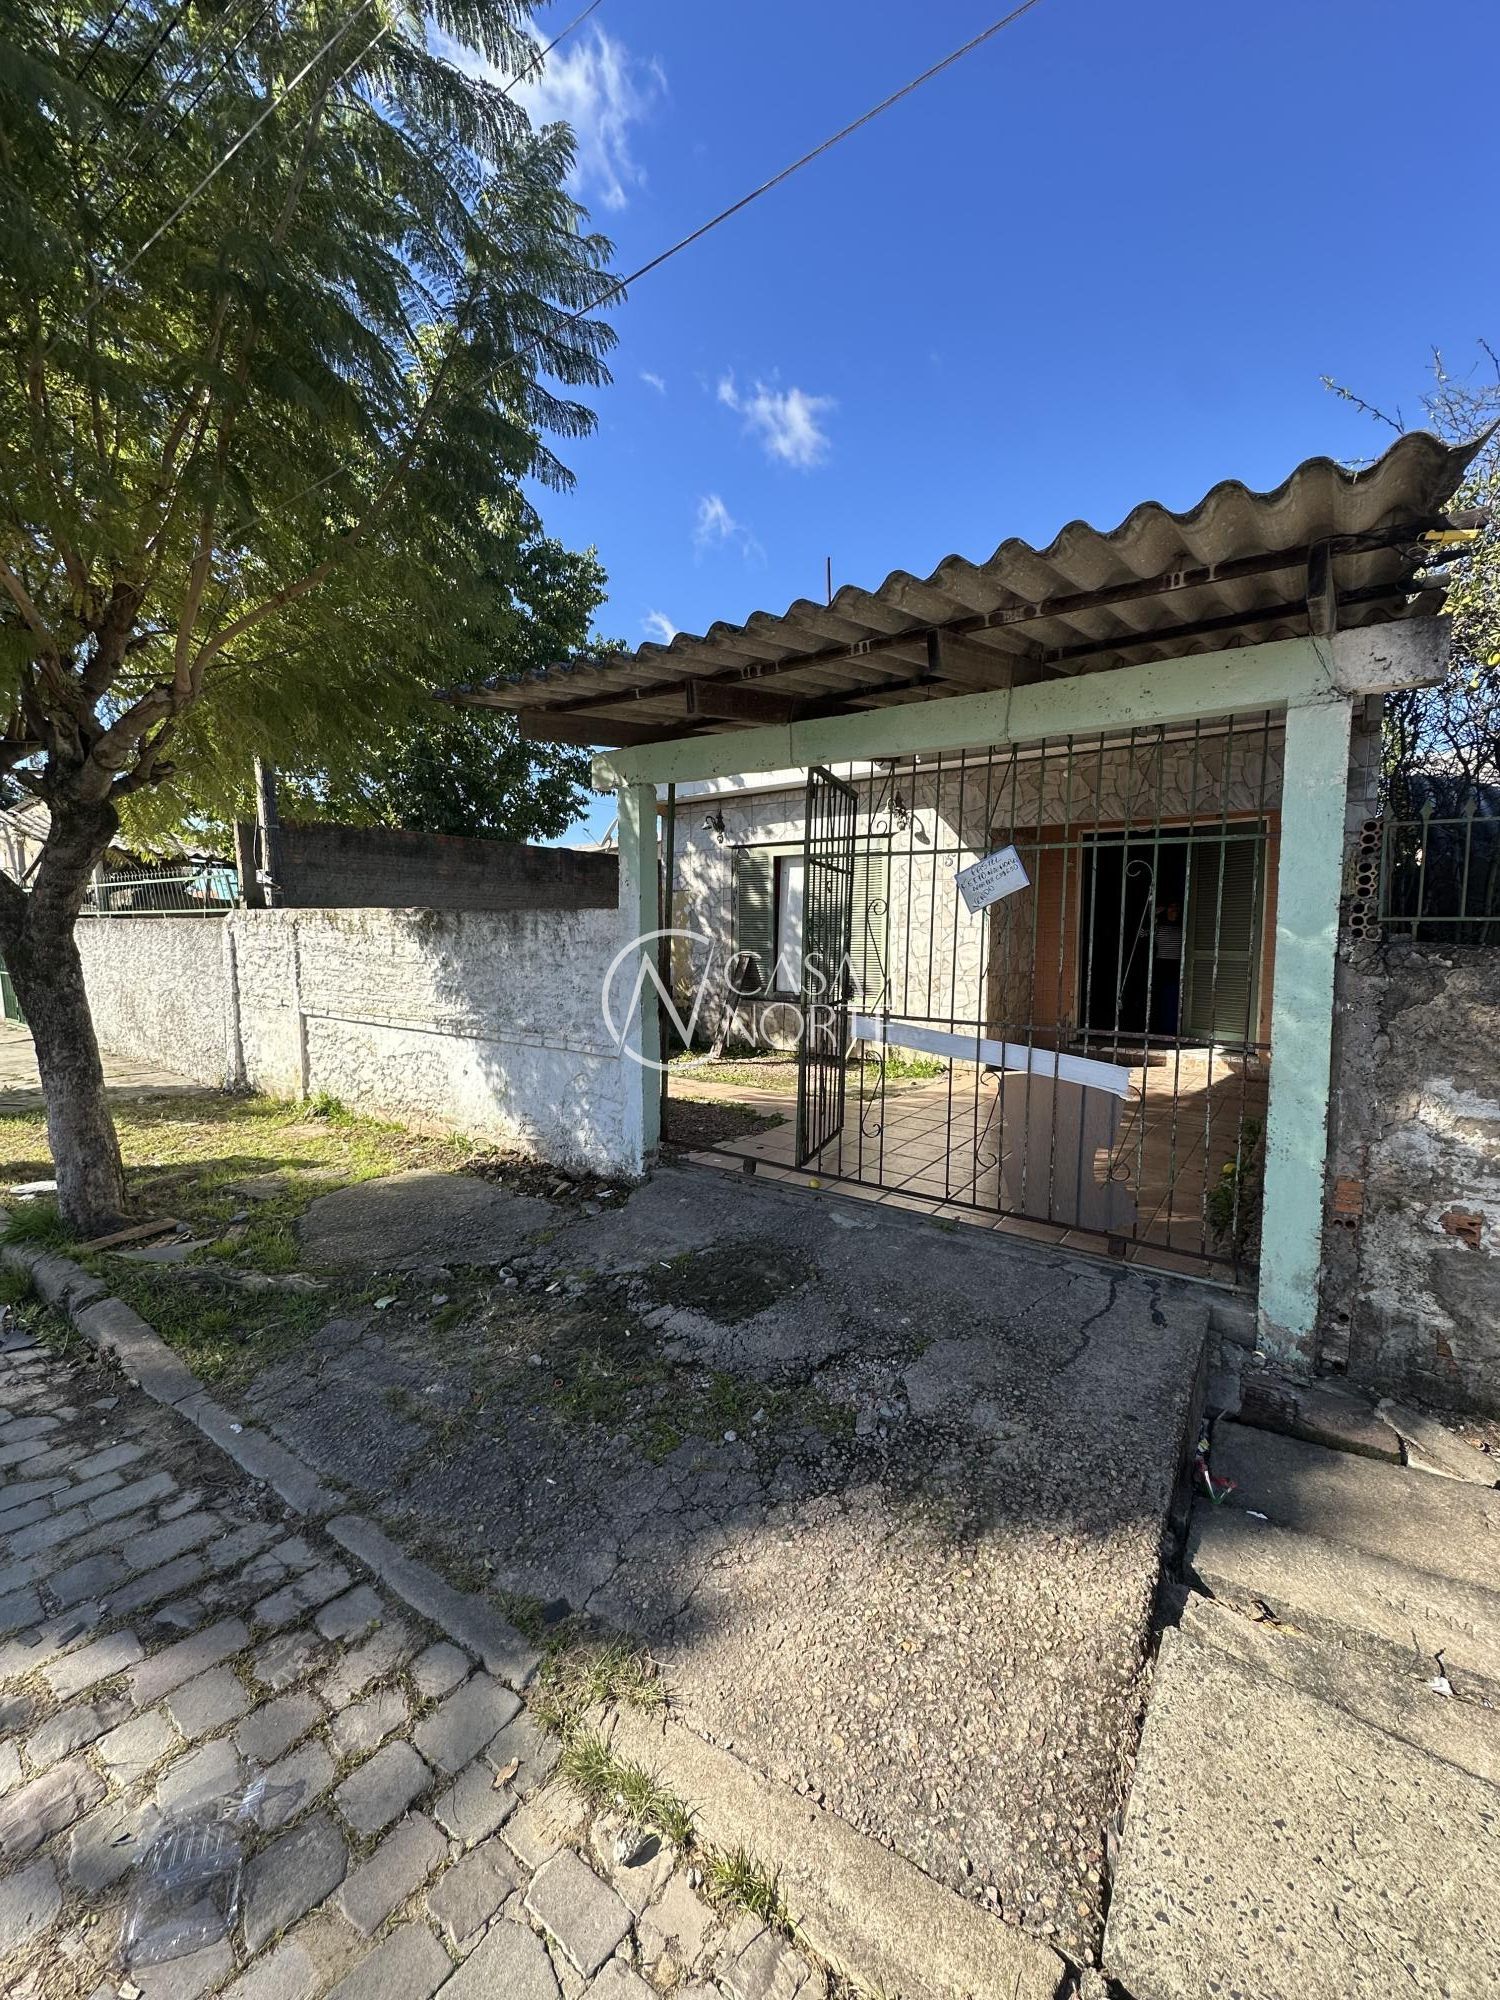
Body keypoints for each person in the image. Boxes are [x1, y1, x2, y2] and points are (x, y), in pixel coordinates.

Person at [1152, 900, 1183, 1036]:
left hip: (1177, 965)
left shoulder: (1182, 926)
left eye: (1176, 907)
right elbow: (1142, 934)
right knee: (1161, 997)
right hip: (1162, 965)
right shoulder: (1159, 926)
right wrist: (1153, 915)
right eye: (1171, 906)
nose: (1174, 910)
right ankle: (1161, 1028)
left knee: (1176, 997)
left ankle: (1173, 1028)